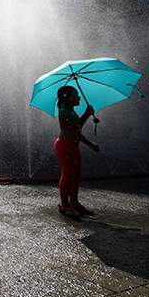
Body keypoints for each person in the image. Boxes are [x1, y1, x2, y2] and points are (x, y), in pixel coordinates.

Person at [55, 85, 100, 219]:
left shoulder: (72, 111)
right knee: (67, 175)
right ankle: (64, 205)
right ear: (68, 98)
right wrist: (86, 115)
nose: (79, 97)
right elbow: (76, 126)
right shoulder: (63, 111)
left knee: (76, 176)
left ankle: (74, 202)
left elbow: (76, 133)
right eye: (75, 95)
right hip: (64, 146)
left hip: (73, 146)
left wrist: (90, 144)